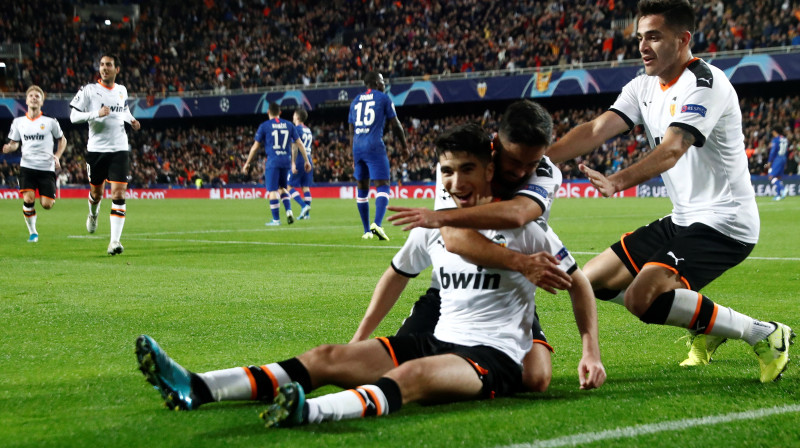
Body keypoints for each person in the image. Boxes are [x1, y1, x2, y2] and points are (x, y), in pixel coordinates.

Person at [135, 123, 605, 428]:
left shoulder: (527, 229)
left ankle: (311, 412)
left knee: (415, 376)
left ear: (489, 172)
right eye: (447, 171)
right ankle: (198, 387)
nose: (456, 182)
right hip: (438, 337)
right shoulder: (434, 224)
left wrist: (590, 350)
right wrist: (363, 339)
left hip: (494, 354)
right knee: (327, 356)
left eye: (467, 170)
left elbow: (580, 282)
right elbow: (396, 274)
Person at [545, 0, 793, 382]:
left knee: (640, 298)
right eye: (641, 37)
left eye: (654, 37)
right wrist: (535, 159)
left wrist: (617, 181)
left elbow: (673, 149)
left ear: (683, 40)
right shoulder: (642, 85)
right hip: (682, 219)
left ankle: (764, 333)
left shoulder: (706, 84)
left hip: (726, 222)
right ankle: (706, 323)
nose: (643, 46)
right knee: (586, 281)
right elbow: (596, 130)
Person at [384, 100, 578, 392]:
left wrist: (440, 217)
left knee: (535, 378)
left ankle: (460, 367)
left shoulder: (546, 171)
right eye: (514, 161)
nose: (522, 171)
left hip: (505, 291)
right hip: (449, 287)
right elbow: (453, 238)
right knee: (390, 367)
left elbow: (518, 214)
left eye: (532, 162)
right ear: (495, 146)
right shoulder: (460, 165)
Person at [69, 54, 141, 255]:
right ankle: (93, 214)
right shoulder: (89, 90)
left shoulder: (121, 90)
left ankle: (114, 242)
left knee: (118, 193)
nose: (104, 68)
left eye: (109, 65)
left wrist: (132, 121)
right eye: (102, 64)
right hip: (96, 150)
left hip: (119, 148)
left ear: (117, 69)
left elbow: (123, 110)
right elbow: (73, 116)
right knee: (97, 193)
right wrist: (96, 114)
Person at [3, 85, 67, 243]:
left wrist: (57, 156)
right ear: (26, 100)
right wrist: (10, 147)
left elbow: (62, 139)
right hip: (27, 166)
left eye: (37, 96)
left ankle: (44, 199)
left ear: (42, 101)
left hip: (46, 167)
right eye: (31, 95)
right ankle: (33, 233)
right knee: (29, 198)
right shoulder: (18, 122)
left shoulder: (50, 122)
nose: (33, 98)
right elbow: (15, 143)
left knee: (47, 204)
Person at [349, 71, 407, 241]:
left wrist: (353, 154)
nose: (384, 84)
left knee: (362, 187)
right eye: (382, 81)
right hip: (374, 144)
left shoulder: (355, 101)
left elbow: (351, 130)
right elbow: (395, 124)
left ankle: (366, 230)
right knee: (383, 184)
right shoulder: (383, 98)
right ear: (375, 82)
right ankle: (377, 224)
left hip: (357, 146)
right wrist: (404, 146)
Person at [243, 102, 311, 226]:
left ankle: (276, 220)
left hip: (273, 161)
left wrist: (247, 162)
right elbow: (299, 143)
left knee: (273, 190)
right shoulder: (289, 125)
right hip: (286, 161)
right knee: (283, 188)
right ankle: (289, 212)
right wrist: (306, 160)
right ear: (280, 113)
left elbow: (255, 147)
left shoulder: (264, 126)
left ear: (268, 112)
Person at [288, 108, 313, 219]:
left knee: (288, 186)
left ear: (297, 117)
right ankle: (306, 215)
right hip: (308, 158)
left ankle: (303, 206)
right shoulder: (308, 130)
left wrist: (293, 163)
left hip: (300, 159)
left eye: (294, 115)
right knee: (305, 187)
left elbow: (294, 147)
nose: (293, 117)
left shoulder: (296, 128)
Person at [768, 125, 789, 201]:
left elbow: (772, 152)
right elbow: (787, 151)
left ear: (775, 131)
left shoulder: (775, 140)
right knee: (778, 177)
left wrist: (769, 161)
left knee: (771, 176)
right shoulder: (785, 139)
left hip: (778, 159)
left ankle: (783, 189)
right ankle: (778, 195)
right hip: (784, 158)